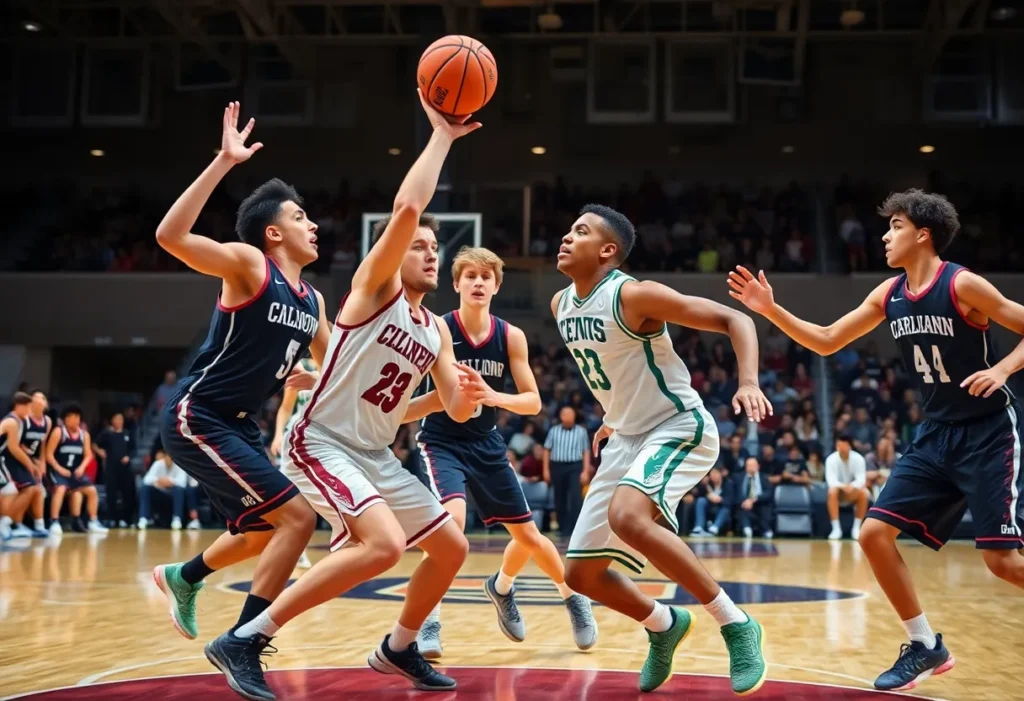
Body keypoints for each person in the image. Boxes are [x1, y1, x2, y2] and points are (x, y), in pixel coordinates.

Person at [208, 94, 482, 700]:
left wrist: (470, 394)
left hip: (376, 454)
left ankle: (399, 647)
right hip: (324, 441)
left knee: (451, 546)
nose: (430, 252)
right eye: (418, 246)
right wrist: (442, 136)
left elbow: (450, 408)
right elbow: (408, 206)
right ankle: (246, 638)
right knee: (382, 546)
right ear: (392, 252)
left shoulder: (436, 331)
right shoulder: (374, 289)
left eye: (435, 248)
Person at [727, 188, 1024, 691]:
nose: (885, 236)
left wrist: (1002, 369)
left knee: (1002, 563)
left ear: (923, 234)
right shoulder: (889, 294)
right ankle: (925, 645)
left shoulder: (962, 284)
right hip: (935, 433)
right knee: (871, 534)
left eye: (895, 226)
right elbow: (827, 341)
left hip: (987, 433)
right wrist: (769, 310)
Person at [552, 204, 771, 694]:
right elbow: (611, 366)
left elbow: (735, 319)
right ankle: (663, 624)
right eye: (569, 230)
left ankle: (736, 623)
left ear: (608, 251)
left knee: (628, 517)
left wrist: (748, 382)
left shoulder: (634, 295)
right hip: (626, 436)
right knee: (581, 574)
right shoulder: (560, 304)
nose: (566, 237)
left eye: (580, 231)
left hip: (677, 424)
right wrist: (613, 416)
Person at [150, 103, 329, 664]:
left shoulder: (314, 300)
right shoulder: (251, 265)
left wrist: (320, 374)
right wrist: (224, 162)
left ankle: (183, 576)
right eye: (300, 217)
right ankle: (242, 644)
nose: (313, 225)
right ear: (274, 232)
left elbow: (336, 363)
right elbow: (170, 235)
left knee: (263, 531)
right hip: (198, 413)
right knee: (298, 518)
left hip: (238, 426)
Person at [402, 246, 596, 658]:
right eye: (470, 276)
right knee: (451, 524)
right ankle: (429, 620)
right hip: (442, 441)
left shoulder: (511, 336)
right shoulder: (438, 328)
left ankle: (555, 594)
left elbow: (533, 401)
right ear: (456, 284)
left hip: (486, 442)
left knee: (528, 536)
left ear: (496, 286)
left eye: (486, 277)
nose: (478, 282)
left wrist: (493, 396)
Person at [270, 356, 319, 569]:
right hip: (297, 438)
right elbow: (285, 407)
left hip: (325, 440)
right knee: (292, 496)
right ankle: (293, 549)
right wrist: (278, 434)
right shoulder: (302, 366)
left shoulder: (342, 362)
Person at [45, 405, 107, 534]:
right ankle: (54, 521)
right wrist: (59, 469)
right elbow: (48, 454)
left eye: (78, 417)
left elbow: (88, 455)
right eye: (72, 417)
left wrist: (82, 467)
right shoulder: (59, 432)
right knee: (61, 488)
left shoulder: (84, 435)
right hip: (58, 471)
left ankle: (93, 521)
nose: (76, 420)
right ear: (65, 419)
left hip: (74, 471)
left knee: (91, 490)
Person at [542, 405, 591, 538]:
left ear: (574, 416)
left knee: (575, 497)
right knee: (559, 497)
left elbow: (586, 451)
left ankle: (576, 528)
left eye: (570, 414)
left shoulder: (581, 431)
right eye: (565, 414)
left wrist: (586, 471)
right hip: (557, 466)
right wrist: (545, 470)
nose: (568, 416)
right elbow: (546, 450)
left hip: (575, 466)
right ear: (561, 416)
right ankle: (562, 528)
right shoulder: (554, 431)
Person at [0, 393, 39, 539]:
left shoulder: (17, 421)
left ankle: (4, 523)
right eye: (28, 407)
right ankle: (3, 524)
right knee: (10, 490)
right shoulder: (12, 422)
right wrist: (30, 464)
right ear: (19, 406)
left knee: (9, 490)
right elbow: (13, 448)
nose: (30, 410)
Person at [94, 411, 136, 528]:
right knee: (111, 493)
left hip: (125, 468)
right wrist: (100, 452)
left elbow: (133, 449)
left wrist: (128, 457)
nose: (119, 421)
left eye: (121, 419)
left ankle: (127, 519)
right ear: (112, 420)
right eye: (116, 419)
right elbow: (94, 444)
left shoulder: (127, 433)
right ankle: (112, 519)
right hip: (111, 467)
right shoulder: (107, 433)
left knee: (127, 493)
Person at [138, 448, 189, 530]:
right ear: (164, 457)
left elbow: (183, 483)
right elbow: (146, 479)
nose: (169, 459)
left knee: (178, 490)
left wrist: (169, 481)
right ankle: (143, 518)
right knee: (145, 488)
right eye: (168, 456)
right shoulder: (158, 463)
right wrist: (158, 480)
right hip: (159, 493)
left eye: (171, 457)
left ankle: (177, 519)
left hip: (172, 494)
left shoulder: (179, 464)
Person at [735, 457, 774, 538]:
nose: (752, 467)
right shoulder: (739, 478)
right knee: (742, 507)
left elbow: (769, 492)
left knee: (765, 507)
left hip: (760, 502)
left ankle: (766, 530)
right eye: (749, 465)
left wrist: (753, 500)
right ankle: (747, 529)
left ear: (758, 466)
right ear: (746, 467)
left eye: (754, 465)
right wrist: (746, 501)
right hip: (745, 503)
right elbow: (737, 493)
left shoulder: (764, 477)